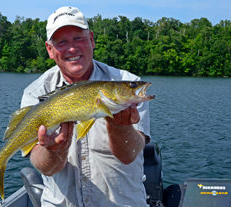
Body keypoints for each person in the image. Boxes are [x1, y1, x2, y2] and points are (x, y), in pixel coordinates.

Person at [21, 6, 151, 207]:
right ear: (50, 50)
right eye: (62, 42)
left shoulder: (126, 82)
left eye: (78, 38)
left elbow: (130, 155)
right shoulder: (36, 93)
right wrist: (54, 150)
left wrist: (120, 127)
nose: (72, 48)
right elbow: (43, 165)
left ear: (91, 39)